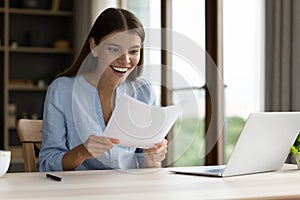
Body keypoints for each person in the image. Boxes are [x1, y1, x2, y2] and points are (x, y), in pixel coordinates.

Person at [39, 8, 168, 171]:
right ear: (94, 47)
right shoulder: (62, 90)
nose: (125, 60)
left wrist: (152, 158)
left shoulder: (144, 92)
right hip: (78, 193)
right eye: (114, 49)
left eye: (134, 51)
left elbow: (149, 168)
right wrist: (81, 152)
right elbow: (47, 164)